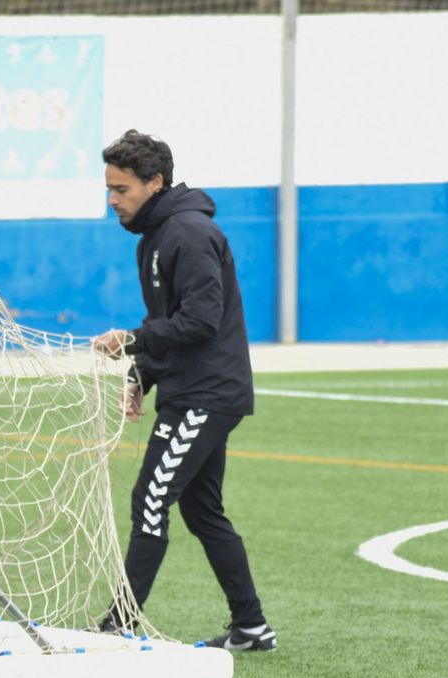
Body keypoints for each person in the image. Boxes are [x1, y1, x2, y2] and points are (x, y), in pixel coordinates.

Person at [89, 129, 274, 651]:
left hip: (206, 394)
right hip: (190, 388)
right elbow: (167, 320)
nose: (113, 200)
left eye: (122, 189)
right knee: (202, 511)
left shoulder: (188, 234)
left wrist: (131, 341)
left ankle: (120, 625)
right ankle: (252, 627)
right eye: (109, 189)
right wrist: (141, 373)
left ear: (155, 182)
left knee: (150, 497)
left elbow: (201, 320)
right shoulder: (156, 236)